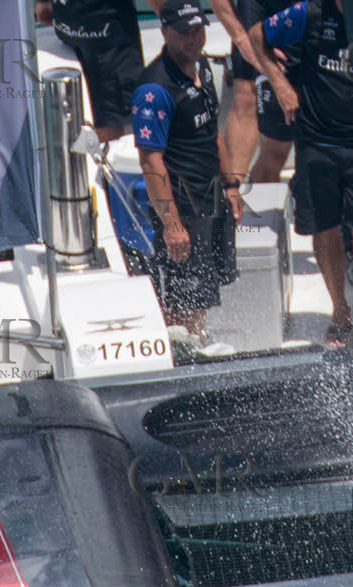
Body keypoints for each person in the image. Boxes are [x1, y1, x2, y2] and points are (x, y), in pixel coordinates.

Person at [251, 0, 353, 346]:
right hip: (315, 140)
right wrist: (279, 83)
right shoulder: (308, 13)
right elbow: (255, 36)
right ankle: (340, 310)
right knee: (324, 230)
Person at [133, 2, 243, 337]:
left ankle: (199, 337)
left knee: (205, 288)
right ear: (164, 33)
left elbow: (213, 131)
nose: (194, 39)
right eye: (184, 33)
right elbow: (151, 161)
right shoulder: (154, 89)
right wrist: (172, 224)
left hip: (210, 195)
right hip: (181, 204)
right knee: (183, 295)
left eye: (198, 30)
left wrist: (231, 186)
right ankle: (183, 348)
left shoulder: (205, 66)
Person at [37, 0, 157, 142]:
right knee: (115, 120)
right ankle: (109, 148)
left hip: (66, 25)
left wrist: (43, 3)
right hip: (106, 37)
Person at [210, 0, 296, 185]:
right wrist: (243, 41)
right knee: (246, 94)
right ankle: (232, 192)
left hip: (307, 10)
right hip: (258, 8)